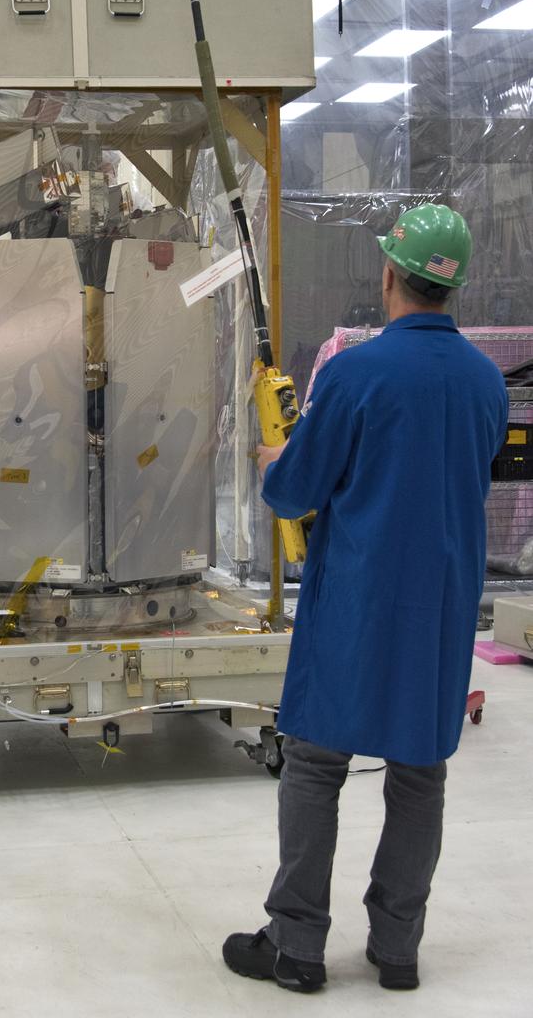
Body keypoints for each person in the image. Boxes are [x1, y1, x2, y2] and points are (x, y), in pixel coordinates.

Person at [223, 203, 508, 994]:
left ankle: (296, 946)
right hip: (443, 609)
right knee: (420, 773)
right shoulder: (487, 383)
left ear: (389, 276)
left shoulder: (353, 373)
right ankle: (397, 948)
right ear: (452, 288)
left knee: (315, 765)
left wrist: (280, 455)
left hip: (356, 600)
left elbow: (296, 492)